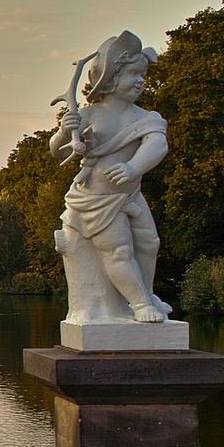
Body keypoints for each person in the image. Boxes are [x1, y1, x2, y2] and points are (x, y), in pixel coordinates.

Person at [49, 31, 171, 323]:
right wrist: (66, 131)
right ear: (110, 77)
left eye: (143, 75)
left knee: (149, 243)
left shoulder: (147, 117)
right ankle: (140, 304)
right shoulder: (89, 115)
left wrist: (133, 168)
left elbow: (158, 145)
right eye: (133, 73)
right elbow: (56, 151)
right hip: (97, 199)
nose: (141, 80)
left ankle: (147, 292)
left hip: (130, 194)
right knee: (118, 251)